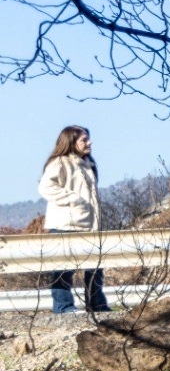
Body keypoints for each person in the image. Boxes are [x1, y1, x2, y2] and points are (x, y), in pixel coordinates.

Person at [38, 125, 110, 314]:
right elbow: (45, 187)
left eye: (88, 138)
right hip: (65, 224)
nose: (89, 142)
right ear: (71, 142)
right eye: (84, 140)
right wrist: (74, 200)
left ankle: (97, 305)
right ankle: (63, 307)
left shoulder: (87, 164)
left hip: (89, 225)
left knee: (95, 267)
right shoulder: (60, 162)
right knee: (63, 268)